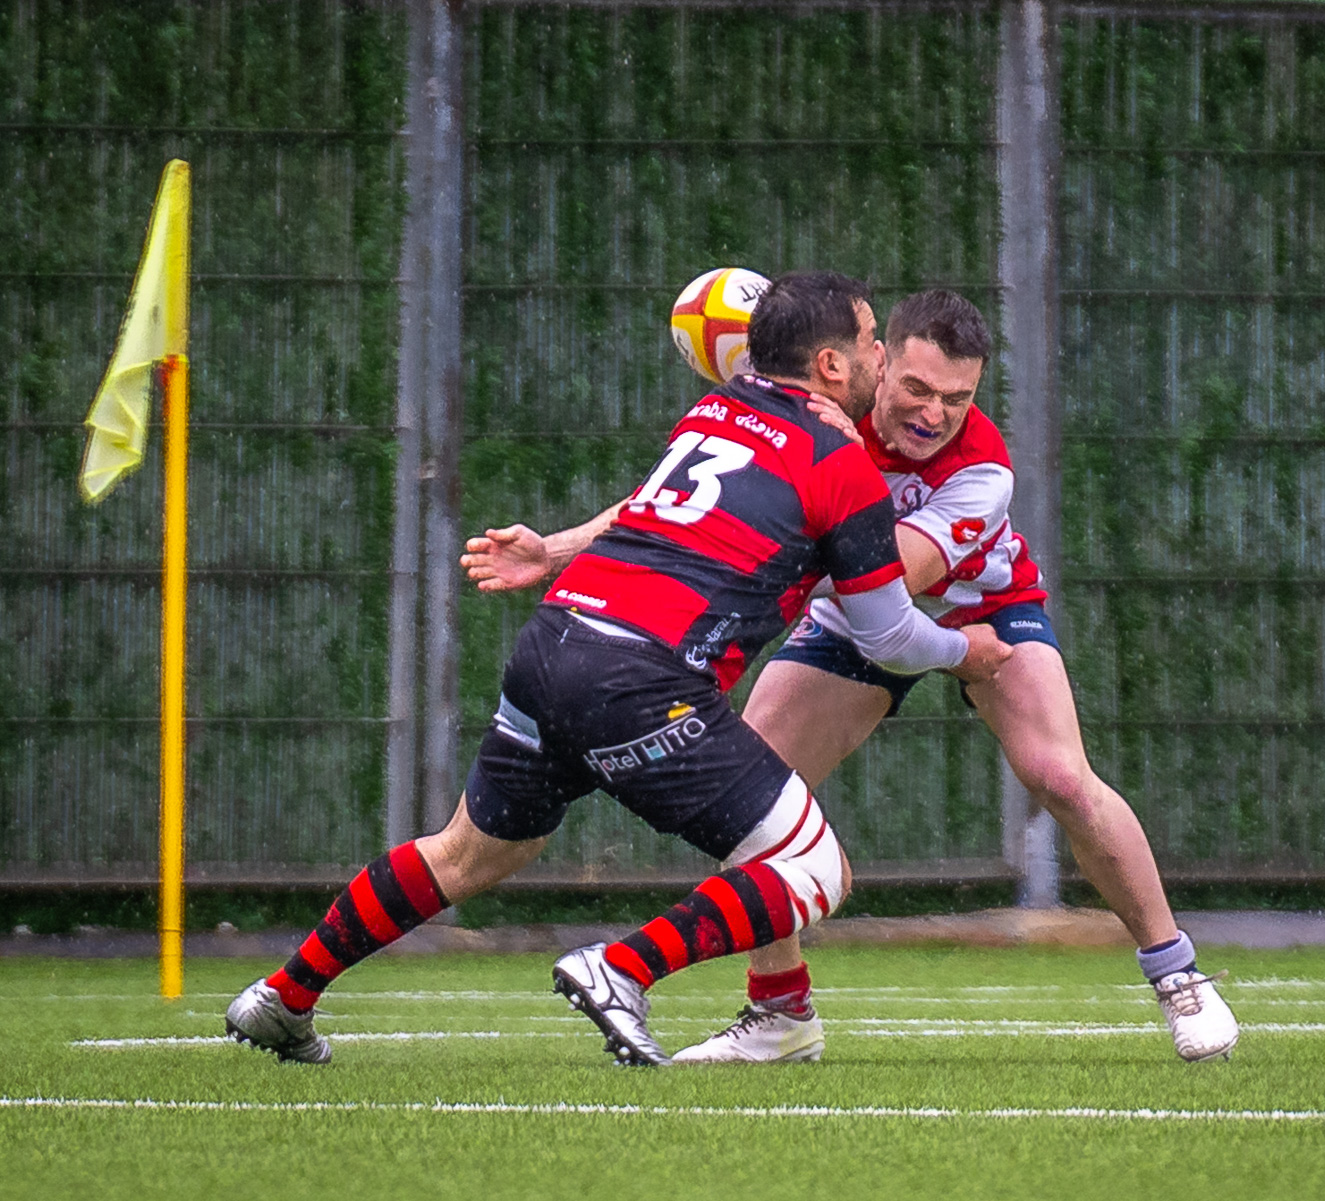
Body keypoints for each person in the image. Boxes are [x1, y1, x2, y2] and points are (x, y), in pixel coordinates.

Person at [223, 271, 1012, 1066]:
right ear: (834, 367)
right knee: (815, 869)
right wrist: (963, 649)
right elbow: (885, 637)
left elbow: (656, 513)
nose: (880, 351)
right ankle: (622, 969)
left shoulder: (714, 410)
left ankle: (283, 997)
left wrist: (553, 548)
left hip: (553, 643)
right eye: (872, 339)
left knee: (470, 851)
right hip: (643, 678)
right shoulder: (839, 465)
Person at [466, 290, 1238, 1065]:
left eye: (958, 399)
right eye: (918, 389)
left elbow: (890, 576)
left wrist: (811, 456)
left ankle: (1179, 976)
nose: (935, 414)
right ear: (879, 362)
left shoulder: (982, 472)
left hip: (979, 611)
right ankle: (780, 1014)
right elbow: (685, 503)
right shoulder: (826, 415)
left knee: (1060, 778)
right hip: (857, 619)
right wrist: (559, 548)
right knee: (755, 785)